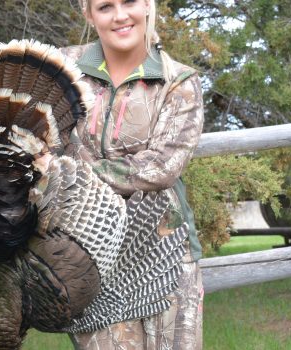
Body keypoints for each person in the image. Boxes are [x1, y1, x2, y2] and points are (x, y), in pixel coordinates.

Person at [60, 0, 205, 348]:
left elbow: (162, 167)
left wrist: (74, 170)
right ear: (88, 14)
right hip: (90, 255)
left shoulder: (178, 81)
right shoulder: (60, 69)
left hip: (165, 251)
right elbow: (37, 141)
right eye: (105, 7)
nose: (120, 15)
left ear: (147, 6)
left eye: (129, 2)